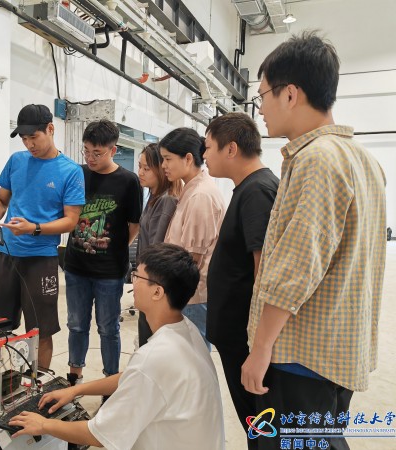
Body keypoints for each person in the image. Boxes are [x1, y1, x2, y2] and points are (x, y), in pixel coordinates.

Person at [241, 32, 386, 450]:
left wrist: (261, 349)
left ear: (290, 94)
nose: (261, 109)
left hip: (299, 354)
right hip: (337, 347)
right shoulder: (364, 160)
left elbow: (298, 266)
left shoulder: (316, 159)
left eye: (262, 95)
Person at [10, 243, 225, 450]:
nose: (132, 281)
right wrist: (76, 390)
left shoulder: (154, 358)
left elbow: (98, 435)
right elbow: (133, 376)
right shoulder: (187, 330)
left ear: (157, 292)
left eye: (137, 276)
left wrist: (43, 425)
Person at [0, 104, 84, 370]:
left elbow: (71, 220)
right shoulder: (16, 161)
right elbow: (2, 200)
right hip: (5, 254)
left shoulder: (70, 171)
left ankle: (38, 383)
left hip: (40, 260)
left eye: (33, 137)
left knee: (40, 330)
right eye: (24, 139)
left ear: (50, 129)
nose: (29, 144)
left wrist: (34, 228)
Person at [203, 112, 279, 449]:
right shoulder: (248, 188)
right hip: (236, 335)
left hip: (244, 339)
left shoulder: (257, 191)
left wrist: (259, 348)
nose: (205, 155)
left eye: (208, 147)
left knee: (260, 425)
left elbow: (265, 273)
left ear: (231, 148)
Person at [64, 119, 142, 385]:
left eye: (97, 153)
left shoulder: (129, 181)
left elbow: (134, 225)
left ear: (113, 150)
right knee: (76, 325)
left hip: (110, 271)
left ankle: (110, 381)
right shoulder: (78, 174)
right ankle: (74, 376)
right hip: (76, 267)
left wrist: (113, 247)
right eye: (86, 151)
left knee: (108, 328)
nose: (90, 158)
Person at [160, 127, 225, 350]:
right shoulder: (192, 189)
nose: (163, 165)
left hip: (193, 295)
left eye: (168, 159)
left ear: (188, 158)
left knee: (193, 355)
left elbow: (192, 259)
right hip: (188, 292)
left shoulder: (200, 195)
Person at [136, 143, 181, 346]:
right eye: (140, 166)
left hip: (154, 280)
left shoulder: (166, 200)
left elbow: (157, 248)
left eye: (146, 168)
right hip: (148, 277)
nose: (140, 172)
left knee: (151, 341)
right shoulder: (154, 197)